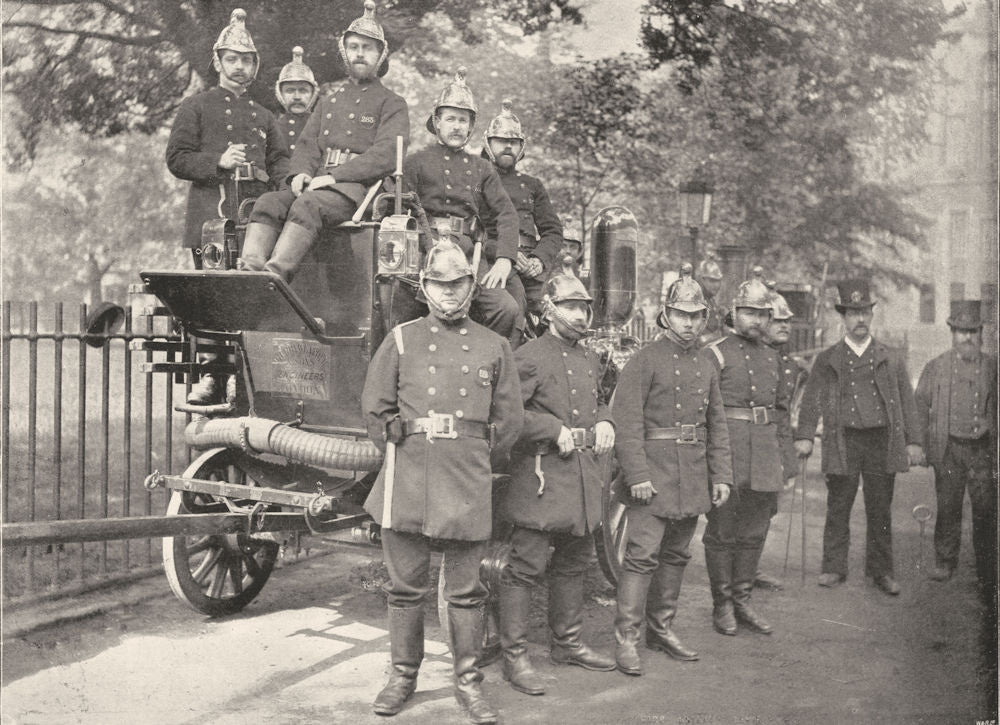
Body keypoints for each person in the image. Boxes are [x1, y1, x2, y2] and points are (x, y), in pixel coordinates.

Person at [362, 239, 522, 724]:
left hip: (465, 479)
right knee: (405, 589)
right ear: (424, 287)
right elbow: (376, 409)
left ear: (471, 287)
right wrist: (407, 445)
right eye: (438, 283)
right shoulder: (403, 338)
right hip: (407, 478)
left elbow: (508, 422)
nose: (448, 293)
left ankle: (469, 684)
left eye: (457, 283)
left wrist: (470, 454)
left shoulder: (495, 346)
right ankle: (402, 677)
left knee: (466, 592)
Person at [496, 273, 616, 696]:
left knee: (573, 563)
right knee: (524, 569)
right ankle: (515, 658)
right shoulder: (527, 356)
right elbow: (507, 414)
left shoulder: (588, 358)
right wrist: (549, 426)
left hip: (581, 479)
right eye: (570, 306)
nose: (580, 315)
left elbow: (599, 401)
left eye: (584, 307)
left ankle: (567, 645)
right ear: (548, 310)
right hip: (541, 479)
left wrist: (605, 420)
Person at [612, 263, 733, 674]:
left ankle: (661, 629)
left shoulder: (706, 363)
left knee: (678, 555)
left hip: (693, 475)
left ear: (705, 318)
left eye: (696, 315)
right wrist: (638, 476)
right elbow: (626, 424)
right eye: (681, 314)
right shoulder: (644, 361)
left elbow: (716, 424)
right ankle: (626, 639)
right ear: (666, 315)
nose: (688, 323)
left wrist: (721, 476)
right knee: (642, 557)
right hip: (653, 475)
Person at [166, 8, 289, 403]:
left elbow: (281, 163)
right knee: (212, 300)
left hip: (256, 222)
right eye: (232, 59)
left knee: (254, 299)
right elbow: (177, 158)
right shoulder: (196, 107)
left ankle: (247, 382)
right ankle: (213, 379)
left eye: (247, 60)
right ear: (217, 62)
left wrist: (293, 182)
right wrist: (216, 161)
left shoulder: (264, 115)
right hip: (210, 221)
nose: (239, 67)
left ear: (255, 66)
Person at [239, 0, 410, 281]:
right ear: (345, 52)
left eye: (367, 48)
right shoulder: (328, 102)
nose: (359, 54)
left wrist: (333, 177)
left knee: (309, 204)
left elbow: (387, 154)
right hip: (317, 185)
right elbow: (308, 145)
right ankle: (249, 273)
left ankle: (273, 279)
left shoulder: (392, 103)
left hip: (358, 193)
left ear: (381, 54)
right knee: (269, 201)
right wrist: (300, 173)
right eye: (354, 47)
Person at [794, 279, 924, 596]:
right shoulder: (827, 359)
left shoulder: (890, 358)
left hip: (881, 441)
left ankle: (881, 571)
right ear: (844, 317)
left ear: (871, 315)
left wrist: (914, 441)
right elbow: (811, 400)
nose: (860, 319)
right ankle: (833, 567)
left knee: (880, 507)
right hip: (844, 441)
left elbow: (907, 401)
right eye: (853, 313)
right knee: (839, 505)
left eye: (865, 312)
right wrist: (805, 436)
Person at [402, 68, 524, 344]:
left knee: (506, 309)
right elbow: (395, 208)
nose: (457, 126)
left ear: (471, 126)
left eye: (463, 120)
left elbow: (507, 214)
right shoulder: (415, 162)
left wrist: (505, 259)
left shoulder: (481, 168)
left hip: (470, 254)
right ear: (437, 122)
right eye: (451, 119)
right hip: (423, 250)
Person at [703, 267, 790, 635]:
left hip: (765, 455)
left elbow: (781, 412)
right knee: (722, 532)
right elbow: (705, 412)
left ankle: (743, 600)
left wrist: (782, 460)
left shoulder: (772, 358)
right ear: (734, 314)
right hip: (730, 453)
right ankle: (721, 605)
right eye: (750, 313)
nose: (756, 321)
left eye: (762, 314)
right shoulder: (716, 354)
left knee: (755, 532)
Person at [914, 299, 996, 603]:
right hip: (950, 448)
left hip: (983, 450)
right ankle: (945, 563)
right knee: (948, 507)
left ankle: (988, 571)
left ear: (981, 333)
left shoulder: (993, 367)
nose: (967, 337)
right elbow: (919, 405)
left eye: (973, 331)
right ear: (952, 332)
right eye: (961, 331)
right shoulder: (936, 366)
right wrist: (920, 445)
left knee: (986, 512)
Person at [481, 100, 563, 320]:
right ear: (488, 144)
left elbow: (553, 231)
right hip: (495, 260)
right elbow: (475, 232)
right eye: (501, 141)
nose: (508, 146)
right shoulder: (477, 180)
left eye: (514, 142)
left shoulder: (532, 184)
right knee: (513, 310)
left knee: (561, 311)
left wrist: (539, 259)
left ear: (521, 147)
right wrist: (507, 254)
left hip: (531, 264)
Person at [753, 286, 808, 591]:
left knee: (767, 510)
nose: (785, 325)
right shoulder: (753, 359)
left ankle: (751, 569)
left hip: (776, 448)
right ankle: (737, 575)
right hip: (751, 447)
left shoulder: (790, 366)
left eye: (787, 320)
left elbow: (786, 416)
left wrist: (789, 458)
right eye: (777, 320)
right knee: (744, 514)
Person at [274, 46, 318, 154]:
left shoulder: (323, 127)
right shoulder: (272, 129)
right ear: (280, 94)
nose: (297, 96)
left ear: (313, 93)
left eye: (303, 91)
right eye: (290, 90)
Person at [697, 257, 726, 345]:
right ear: (702, 280)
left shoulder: (711, 301)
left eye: (718, 281)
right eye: (712, 281)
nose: (717, 285)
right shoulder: (694, 302)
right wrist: (719, 335)